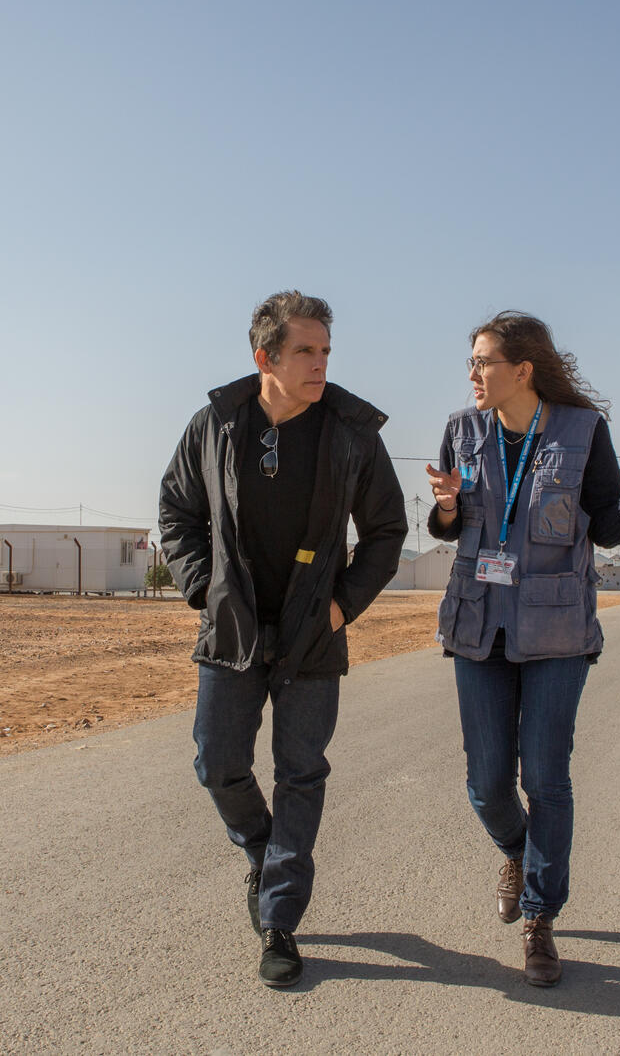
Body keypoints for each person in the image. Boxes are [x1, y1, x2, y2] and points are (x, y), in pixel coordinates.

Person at [425, 311, 620, 987]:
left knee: (546, 777)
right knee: (487, 781)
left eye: (483, 361)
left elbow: (604, 526)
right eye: (471, 361)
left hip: (556, 631)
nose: (472, 373)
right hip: (477, 624)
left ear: (522, 369)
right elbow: (444, 521)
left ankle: (540, 918)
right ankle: (519, 852)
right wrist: (449, 508)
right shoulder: (463, 429)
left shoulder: (583, 432)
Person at [158, 290, 407, 988]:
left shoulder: (352, 432)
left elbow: (387, 530)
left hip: (312, 637)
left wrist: (342, 606)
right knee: (217, 762)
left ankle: (279, 920)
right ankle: (265, 852)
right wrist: (203, 588)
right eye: (306, 350)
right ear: (264, 356)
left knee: (301, 773)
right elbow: (176, 508)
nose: (320, 363)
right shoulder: (216, 424)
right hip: (232, 628)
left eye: (326, 351)